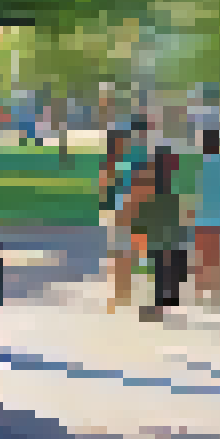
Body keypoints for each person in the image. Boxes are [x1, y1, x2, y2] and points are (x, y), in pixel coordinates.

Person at [124, 147, 192, 320]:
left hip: (161, 235)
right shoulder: (172, 185)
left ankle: (165, 305)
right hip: (170, 234)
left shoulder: (158, 188)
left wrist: (138, 227)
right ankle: (169, 303)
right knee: (167, 269)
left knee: (164, 269)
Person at [191, 130, 220, 307]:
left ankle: (200, 291)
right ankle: (218, 292)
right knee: (219, 254)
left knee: (202, 254)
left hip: (203, 215)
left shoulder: (201, 164)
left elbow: (195, 191)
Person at [98, 128, 134, 312]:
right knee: (120, 251)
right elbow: (104, 186)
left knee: (122, 251)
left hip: (126, 209)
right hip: (118, 209)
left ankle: (122, 292)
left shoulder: (123, 161)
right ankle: (121, 291)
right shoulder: (112, 162)